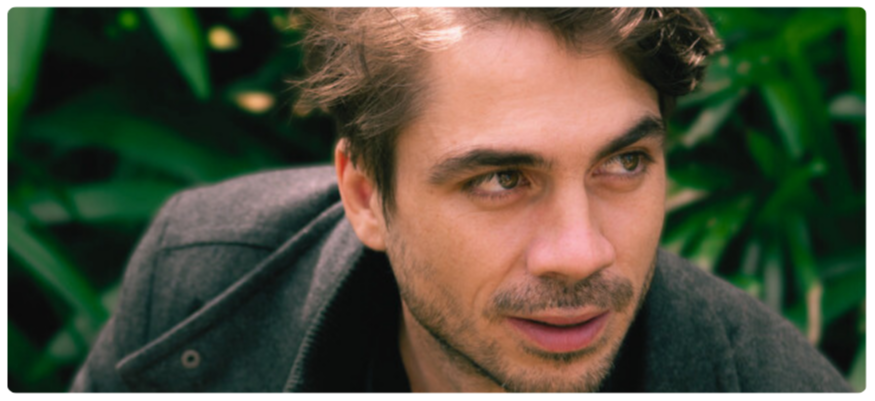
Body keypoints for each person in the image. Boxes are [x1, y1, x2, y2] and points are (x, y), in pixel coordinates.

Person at [71, 8, 852, 392]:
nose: (580, 252)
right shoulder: (201, 276)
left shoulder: (772, 383)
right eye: (501, 179)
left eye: (623, 162)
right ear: (365, 195)